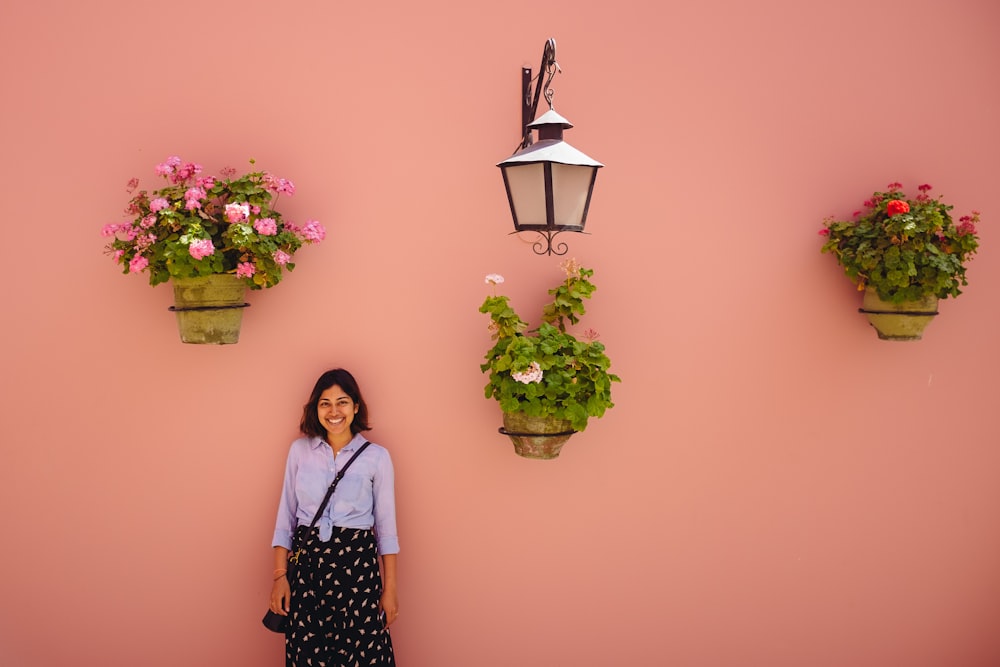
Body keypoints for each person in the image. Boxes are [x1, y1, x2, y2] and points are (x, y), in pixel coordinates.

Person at [269, 368, 398, 666]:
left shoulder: (376, 457)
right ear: (316, 409)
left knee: (364, 657)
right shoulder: (300, 451)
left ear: (355, 407)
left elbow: (387, 532)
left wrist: (389, 591)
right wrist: (279, 577)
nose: (334, 411)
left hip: (358, 573)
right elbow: (285, 519)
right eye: (325, 403)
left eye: (342, 402)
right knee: (309, 656)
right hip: (308, 574)